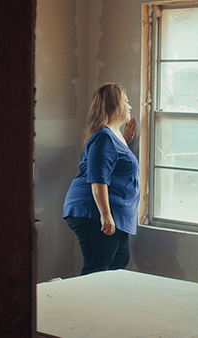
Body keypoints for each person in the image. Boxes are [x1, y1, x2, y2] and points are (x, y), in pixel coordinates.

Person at [62, 83, 139, 275]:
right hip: (92, 211)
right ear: (114, 107)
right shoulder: (104, 138)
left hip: (112, 212)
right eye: (126, 102)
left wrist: (126, 141)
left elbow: (114, 162)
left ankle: (105, 304)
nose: (129, 106)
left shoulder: (114, 136)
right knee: (98, 268)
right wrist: (105, 215)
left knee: (119, 261)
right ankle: (85, 305)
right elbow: (98, 179)